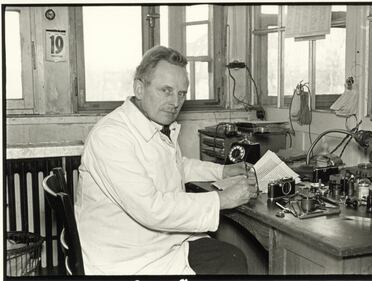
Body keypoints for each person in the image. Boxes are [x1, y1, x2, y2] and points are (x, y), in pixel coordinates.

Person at [74, 45, 258, 275]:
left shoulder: (151, 124)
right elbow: (152, 209)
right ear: (139, 88)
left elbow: (176, 165)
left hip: (151, 242)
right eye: (166, 90)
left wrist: (223, 172)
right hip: (125, 258)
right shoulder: (111, 136)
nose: (175, 102)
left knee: (231, 257)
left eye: (181, 94)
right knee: (230, 263)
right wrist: (222, 199)